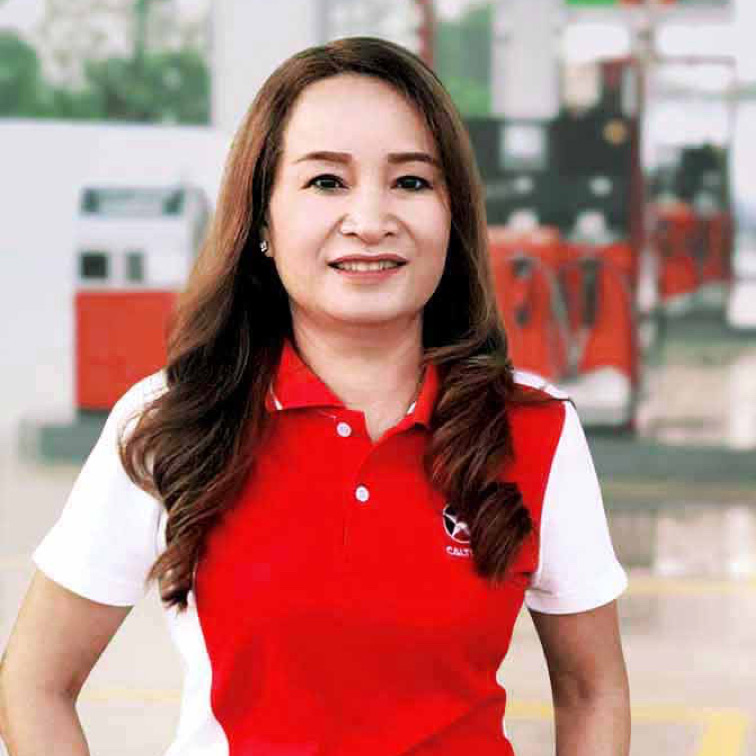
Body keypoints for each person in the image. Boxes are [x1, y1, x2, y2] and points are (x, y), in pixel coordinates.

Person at [0, 36, 630, 756]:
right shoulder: (172, 421)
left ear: (454, 215)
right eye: (327, 182)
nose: (371, 219)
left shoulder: (534, 429)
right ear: (262, 222)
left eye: (411, 182)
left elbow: (592, 691)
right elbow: (34, 682)